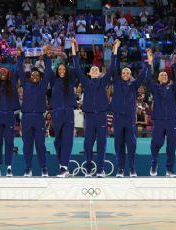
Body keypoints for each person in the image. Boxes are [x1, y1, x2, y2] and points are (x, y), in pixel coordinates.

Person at [72, 38, 119, 177]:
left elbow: (111, 68)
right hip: (90, 117)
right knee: (87, 145)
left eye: (96, 69)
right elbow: (77, 67)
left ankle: (100, 170)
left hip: (102, 116)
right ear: (89, 73)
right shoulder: (85, 82)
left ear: (99, 73)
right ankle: (87, 169)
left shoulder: (103, 81)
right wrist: (74, 49)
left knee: (101, 145)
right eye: (92, 69)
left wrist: (114, 50)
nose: (94, 70)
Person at [111, 47, 148, 178]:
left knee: (131, 145)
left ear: (131, 75)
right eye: (124, 73)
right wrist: (115, 51)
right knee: (118, 145)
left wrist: (148, 62)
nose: (125, 74)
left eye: (128, 73)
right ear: (121, 75)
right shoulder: (116, 82)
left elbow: (142, 75)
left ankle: (132, 169)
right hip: (118, 118)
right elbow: (113, 67)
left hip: (130, 119)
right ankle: (120, 169)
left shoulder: (134, 85)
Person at [16, 46, 52, 177]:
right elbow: (20, 70)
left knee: (41, 145)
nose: (35, 76)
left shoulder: (43, 84)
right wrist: (20, 56)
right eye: (33, 74)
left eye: (37, 74)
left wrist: (47, 57)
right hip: (26, 118)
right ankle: (28, 169)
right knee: (27, 146)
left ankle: (44, 168)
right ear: (30, 76)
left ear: (40, 77)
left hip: (38, 118)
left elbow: (48, 71)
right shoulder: (25, 84)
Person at [146, 49, 176, 177]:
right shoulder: (155, 88)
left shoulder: (173, 88)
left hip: (171, 119)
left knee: (171, 146)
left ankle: (169, 170)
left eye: (166, 75)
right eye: (161, 75)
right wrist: (149, 63)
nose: (164, 76)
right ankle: (154, 163)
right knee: (156, 143)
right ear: (158, 78)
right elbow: (147, 79)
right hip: (159, 120)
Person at [51, 49, 76, 178]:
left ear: (66, 71)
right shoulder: (53, 80)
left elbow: (75, 68)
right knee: (57, 141)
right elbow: (48, 70)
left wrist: (72, 55)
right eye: (59, 69)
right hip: (56, 113)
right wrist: (47, 55)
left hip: (68, 112)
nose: (61, 71)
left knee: (67, 140)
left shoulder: (70, 81)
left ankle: (64, 167)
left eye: (63, 69)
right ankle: (62, 165)